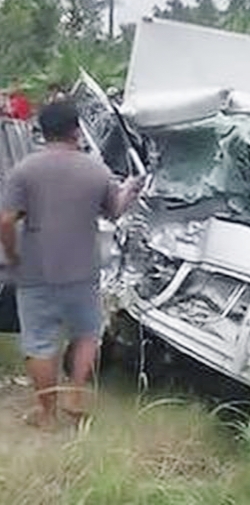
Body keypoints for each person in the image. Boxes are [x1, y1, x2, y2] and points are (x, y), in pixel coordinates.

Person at [0, 100, 144, 429]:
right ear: (77, 131)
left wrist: (10, 255)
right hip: (83, 271)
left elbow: (6, 220)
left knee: (39, 342)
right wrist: (131, 189)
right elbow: (115, 209)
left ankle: (47, 413)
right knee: (86, 334)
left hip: (35, 270)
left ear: (42, 132)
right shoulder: (96, 169)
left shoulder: (24, 171)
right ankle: (76, 393)